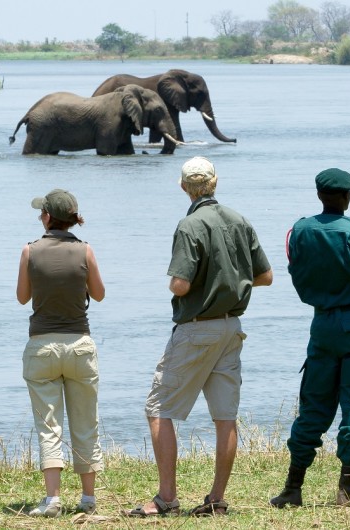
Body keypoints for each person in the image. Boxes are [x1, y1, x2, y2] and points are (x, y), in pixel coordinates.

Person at [129, 156, 273, 517]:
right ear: (215, 182)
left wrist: (184, 285)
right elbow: (265, 276)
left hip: (197, 329)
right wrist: (232, 282)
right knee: (225, 416)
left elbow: (180, 285)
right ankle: (217, 499)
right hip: (231, 329)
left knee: (159, 410)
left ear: (183, 187)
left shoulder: (189, 225)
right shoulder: (239, 220)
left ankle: (166, 499)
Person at [270, 168, 350, 508]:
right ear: (346, 197)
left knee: (313, 405)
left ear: (319, 195)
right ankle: (347, 490)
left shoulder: (299, 230)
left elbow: (300, 273)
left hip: (322, 324)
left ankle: (292, 489)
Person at [16, 189, 106, 518]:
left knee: (48, 425)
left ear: (48, 218)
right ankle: (87, 499)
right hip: (79, 343)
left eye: (42, 212)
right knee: (85, 422)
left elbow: (22, 297)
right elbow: (98, 294)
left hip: (42, 344)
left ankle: (52, 499)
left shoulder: (29, 250)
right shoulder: (86, 251)